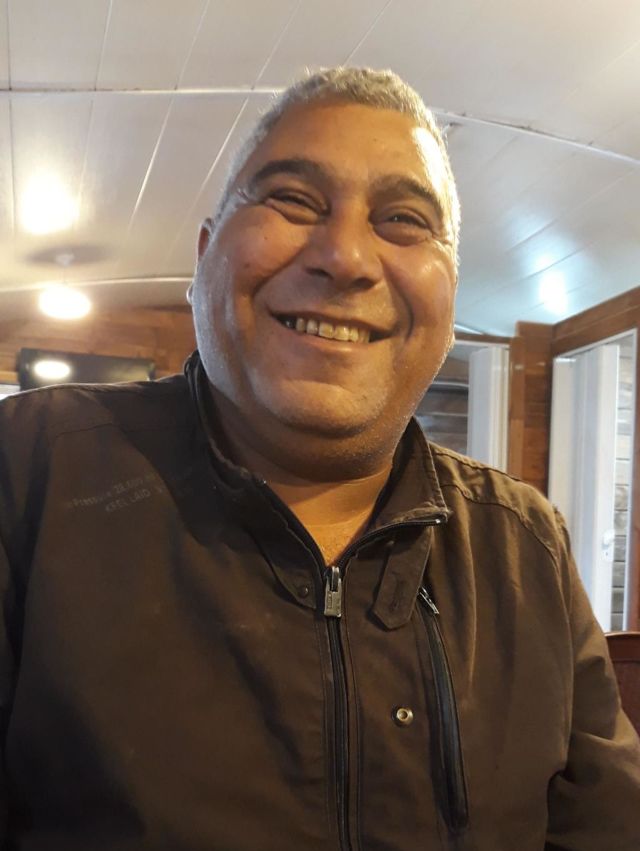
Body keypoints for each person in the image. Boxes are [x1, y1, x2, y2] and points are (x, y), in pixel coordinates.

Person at [0, 67, 638, 850]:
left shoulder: (526, 546)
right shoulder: (28, 474)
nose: (345, 256)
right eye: (294, 201)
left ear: (448, 296)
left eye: (403, 220)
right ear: (204, 258)